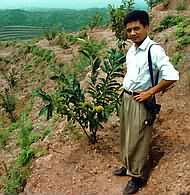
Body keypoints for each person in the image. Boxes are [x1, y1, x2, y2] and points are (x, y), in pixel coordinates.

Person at [113, 10, 179, 194]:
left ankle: (137, 177)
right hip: (127, 97)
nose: (133, 33)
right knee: (126, 134)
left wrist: (150, 92)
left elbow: (172, 76)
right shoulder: (132, 50)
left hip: (141, 100)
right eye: (129, 30)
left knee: (139, 138)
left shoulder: (154, 50)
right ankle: (127, 166)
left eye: (137, 28)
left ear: (147, 27)